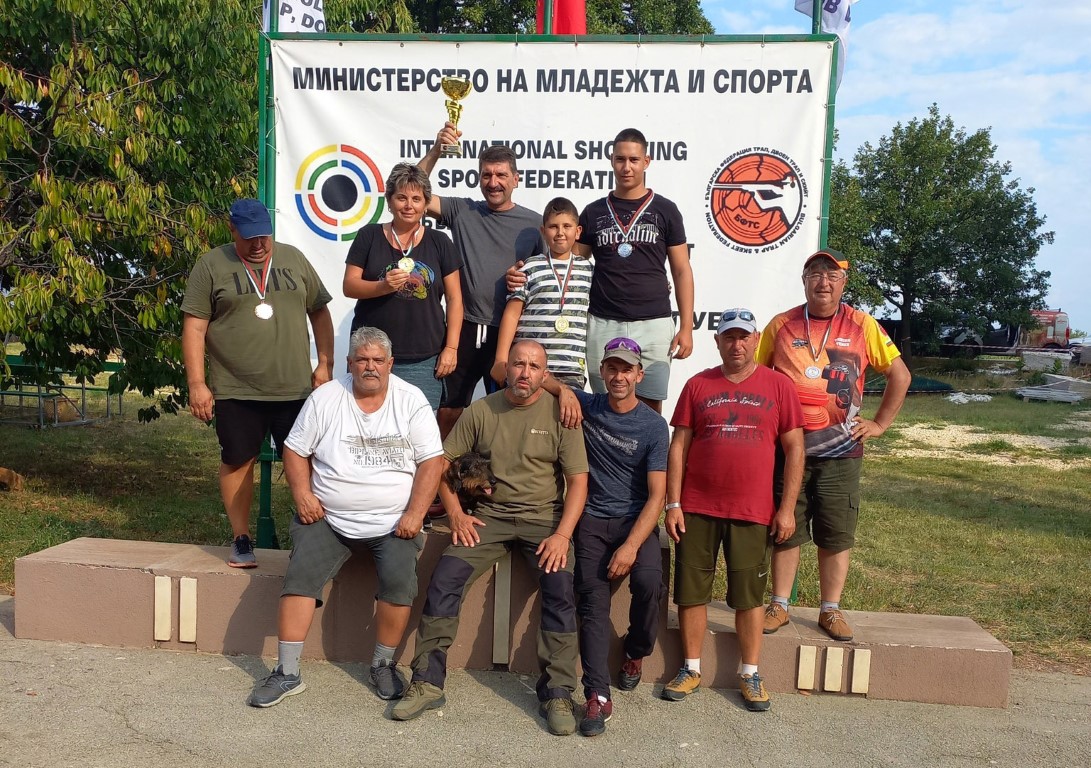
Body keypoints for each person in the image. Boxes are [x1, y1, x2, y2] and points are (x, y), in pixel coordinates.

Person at [391, 340, 589, 737]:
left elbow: (578, 482)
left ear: (544, 374)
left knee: (561, 589)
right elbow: (442, 465)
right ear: (506, 368)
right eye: (518, 364)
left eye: (534, 366)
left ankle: (558, 692)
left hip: (543, 520)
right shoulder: (481, 410)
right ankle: (427, 682)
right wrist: (456, 513)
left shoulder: (561, 413)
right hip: (489, 520)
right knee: (445, 579)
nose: (525, 372)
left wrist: (562, 535)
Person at [246, 327, 443, 707]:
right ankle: (287, 672)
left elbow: (431, 462)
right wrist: (303, 495)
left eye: (378, 360)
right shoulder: (325, 398)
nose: (370, 367)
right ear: (349, 363)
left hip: (394, 522)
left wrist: (415, 513)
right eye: (362, 359)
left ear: (390, 364)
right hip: (329, 517)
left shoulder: (411, 400)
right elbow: (294, 450)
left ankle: (383, 665)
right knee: (300, 578)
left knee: (400, 583)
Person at [757, 249, 911, 642]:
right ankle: (779, 604)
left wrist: (879, 424)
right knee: (786, 528)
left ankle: (830, 609)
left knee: (836, 532)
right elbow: (757, 375)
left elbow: (900, 375)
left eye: (831, 274)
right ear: (804, 280)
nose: (823, 282)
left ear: (844, 282)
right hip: (788, 450)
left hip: (841, 452)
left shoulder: (862, 325)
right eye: (815, 274)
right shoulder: (782, 325)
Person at [663, 309, 805, 711]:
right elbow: (679, 447)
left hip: (752, 510)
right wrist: (673, 503)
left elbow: (795, 449)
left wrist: (787, 509)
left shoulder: (779, 386)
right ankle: (691, 668)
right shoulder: (698, 385)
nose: (736, 344)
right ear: (718, 341)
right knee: (691, 593)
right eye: (729, 337)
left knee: (749, 597)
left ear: (756, 340)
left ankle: (750, 672)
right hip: (697, 507)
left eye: (744, 337)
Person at [182, 198, 334, 568]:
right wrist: (197, 383)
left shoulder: (293, 258)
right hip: (236, 389)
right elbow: (195, 327)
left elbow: (319, 310)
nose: (259, 244)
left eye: (264, 235)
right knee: (237, 461)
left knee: (308, 464)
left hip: (295, 389)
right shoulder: (211, 265)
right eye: (249, 237)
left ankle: (314, 539)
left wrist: (325, 363)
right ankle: (241, 539)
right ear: (232, 229)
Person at [543, 337, 668, 737]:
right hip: (593, 522)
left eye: (626, 369)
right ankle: (597, 694)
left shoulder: (653, 425)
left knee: (649, 583)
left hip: (635, 522)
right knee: (592, 605)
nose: (618, 376)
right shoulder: (589, 405)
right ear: (601, 372)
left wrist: (631, 546)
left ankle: (636, 650)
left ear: (639, 375)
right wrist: (564, 391)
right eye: (612, 368)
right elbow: (540, 376)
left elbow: (657, 495)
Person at [419, 123, 545, 436]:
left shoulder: (535, 224)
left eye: (501, 175)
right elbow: (414, 191)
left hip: (511, 332)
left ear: (516, 179)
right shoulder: (462, 211)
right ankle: (442, 467)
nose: (493, 182)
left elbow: (549, 274)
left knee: (508, 414)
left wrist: (525, 277)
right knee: (449, 409)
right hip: (464, 329)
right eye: (486, 175)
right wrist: (436, 151)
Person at [575, 128, 694, 413]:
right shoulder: (593, 212)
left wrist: (687, 327)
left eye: (633, 160)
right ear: (611, 161)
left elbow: (681, 270)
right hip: (604, 320)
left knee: (649, 406)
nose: (626, 167)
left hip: (654, 322)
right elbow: (572, 263)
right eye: (620, 159)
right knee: (604, 405)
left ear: (646, 162)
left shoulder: (666, 210)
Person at [343, 163, 463, 409]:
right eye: (401, 198)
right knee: (368, 421)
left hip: (424, 358)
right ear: (389, 201)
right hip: (372, 356)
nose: (409, 205)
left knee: (419, 425)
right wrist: (383, 287)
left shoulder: (440, 241)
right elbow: (349, 286)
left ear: (426, 204)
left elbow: (455, 299)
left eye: (416, 199)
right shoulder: (369, 236)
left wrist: (451, 348)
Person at [490, 197, 593, 390]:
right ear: (543, 231)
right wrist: (501, 359)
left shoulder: (589, 271)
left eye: (567, 226)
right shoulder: (530, 266)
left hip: (571, 369)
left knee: (567, 409)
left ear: (578, 231)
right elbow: (512, 313)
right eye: (553, 227)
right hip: (529, 367)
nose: (560, 232)